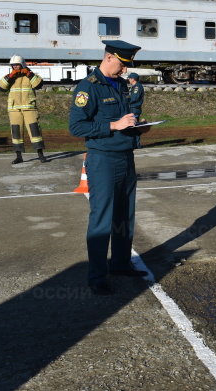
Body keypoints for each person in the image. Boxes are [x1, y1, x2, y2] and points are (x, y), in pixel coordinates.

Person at [69, 40, 151, 296]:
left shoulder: (123, 85)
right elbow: (77, 127)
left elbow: (125, 119)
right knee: (102, 219)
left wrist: (138, 126)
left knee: (125, 216)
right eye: (122, 64)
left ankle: (120, 263)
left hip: (125, 156)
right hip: (102, 159)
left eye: (127, 66)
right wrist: (114, 126)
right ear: (108, 58)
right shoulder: (88, 87)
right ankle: (97, 276)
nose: (125, 70)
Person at [0, 55, 47, 164]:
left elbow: (38, 84)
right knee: (16, 133)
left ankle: (40, 154)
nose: (15, 66)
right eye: (13, 65)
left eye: (17, 64)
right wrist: (11, 76)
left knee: (35, 131)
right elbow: (1, 86)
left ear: (22, 64)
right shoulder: (10, 76)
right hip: (14, 109)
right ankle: (19, 156)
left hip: (29, 108)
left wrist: (29, 74)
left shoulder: (30, 76)